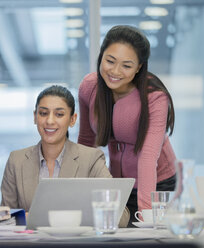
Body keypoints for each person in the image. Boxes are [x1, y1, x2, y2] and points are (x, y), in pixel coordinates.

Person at [77, 25, 176, 224]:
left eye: (126, 65)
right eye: (110, 61)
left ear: (139, 67)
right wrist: (77, 192)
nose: (114, 71)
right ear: (101, 55)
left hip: (157, 183)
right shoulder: (89, 87)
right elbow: (86, 143)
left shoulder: (155, 97)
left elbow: (148, 156)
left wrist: (147, 215)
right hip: (118, 183)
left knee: (144, 235)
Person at [1, 85, 130, 227]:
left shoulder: (91, 159)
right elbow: (4, 218)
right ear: (35, 117)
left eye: (59, 114)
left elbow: (121, 217)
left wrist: (60, 218)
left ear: (72, 119)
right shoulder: (16, 160)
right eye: (43, 113)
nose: (49, 121)